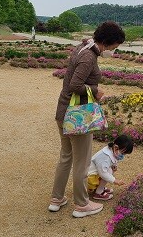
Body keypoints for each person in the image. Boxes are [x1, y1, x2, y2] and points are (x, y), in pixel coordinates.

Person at [48, 21, 125, 218]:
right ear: (108, 41)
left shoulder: (83, 47)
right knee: (82, 162)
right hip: (78, 116)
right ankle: (82, 204)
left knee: (66, 157)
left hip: (63, 112)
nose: (115, 49)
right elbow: (75, 85)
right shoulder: (89, 57)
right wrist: (95, 91)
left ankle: (57, 199)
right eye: (115, 45)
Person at [87, 135, 134, 201]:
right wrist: (114, 180)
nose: (123, 156)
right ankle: (98, 192)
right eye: (123, 153)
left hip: (94, 175)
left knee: (110, 170)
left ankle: (100, 187)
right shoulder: (105, 157)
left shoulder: (110, 150)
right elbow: (103, 173)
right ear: (116, 148)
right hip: (90, 179)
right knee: (108, 172)